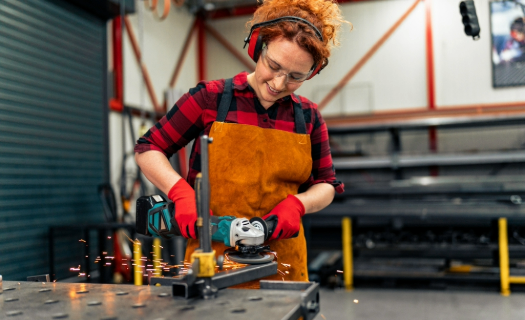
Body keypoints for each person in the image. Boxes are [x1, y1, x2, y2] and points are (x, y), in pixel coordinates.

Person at [134, 0, 348, 288]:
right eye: (273, 66)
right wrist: (182, 194)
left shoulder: (308, 117)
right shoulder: (210, 99)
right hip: (212, 262)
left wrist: (298, 204)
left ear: (312, 73)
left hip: (284, 267)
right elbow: (148, 148)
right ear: (257, 47)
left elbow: (326, 185)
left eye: (296, 77)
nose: (278, 83)